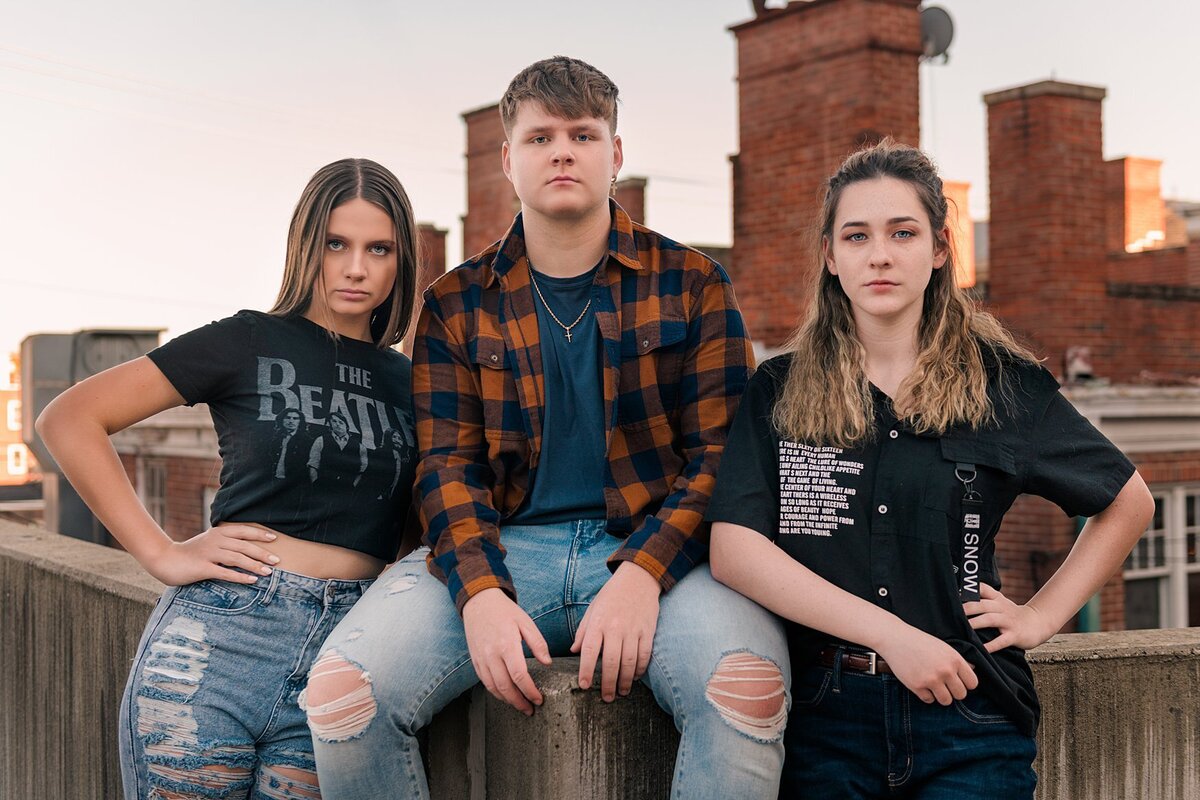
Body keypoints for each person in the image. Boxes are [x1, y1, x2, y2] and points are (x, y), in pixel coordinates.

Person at [304, 56, 791, 799]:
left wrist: (641, 575)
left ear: (615, 154)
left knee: (747, 693)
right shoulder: (454, 302)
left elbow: (721, 458)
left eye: (583, 134)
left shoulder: (694, 283)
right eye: (539, 138)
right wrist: (481, 594)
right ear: (509, 158)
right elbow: (446, 468)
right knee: (343, 695)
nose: (562, 150)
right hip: (505, 548)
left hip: (662, 554)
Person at [705, 139, 1155, 799]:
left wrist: (1039, 617)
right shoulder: (779, 390)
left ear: (940, 249)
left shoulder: (1001, 386)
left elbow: (1129, 500)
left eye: (903, 232)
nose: (880, 254)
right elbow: (736, 551)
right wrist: (893, 637)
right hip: (825, 722)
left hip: (970, 720)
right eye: (856, 236)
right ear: (831, 257)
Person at [36, 158, 422, 800]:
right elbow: (71, 418)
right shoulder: (248, 340)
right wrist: (162, 552)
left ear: (400, 259)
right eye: (336, 244)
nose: (356, 267)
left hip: (343, 661)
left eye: (378, 248)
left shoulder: (410, 382)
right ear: (306, 247)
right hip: (217, 647)